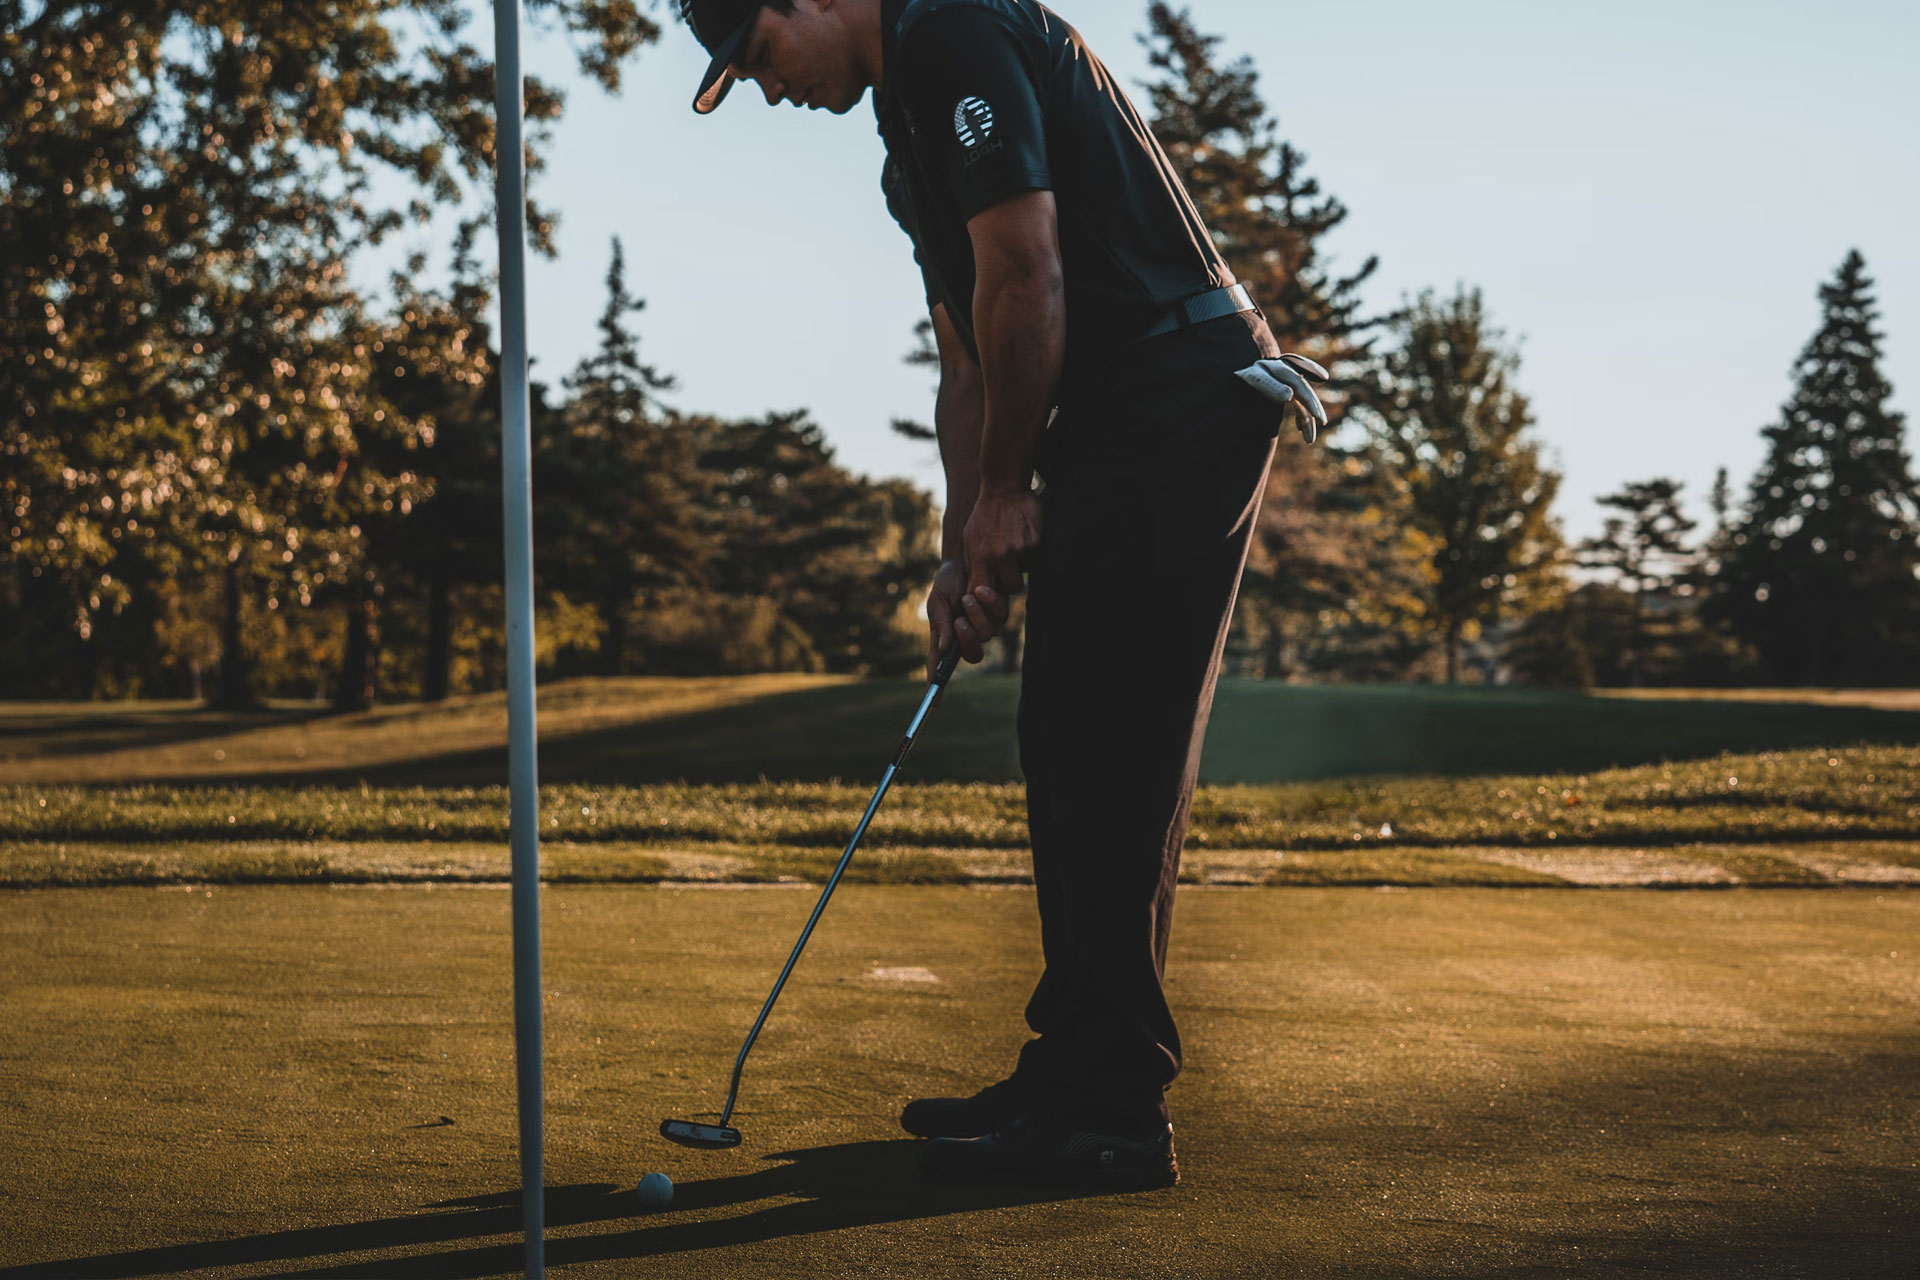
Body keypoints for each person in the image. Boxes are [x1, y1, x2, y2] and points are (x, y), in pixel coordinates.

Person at [679, 0, 1322, 1187]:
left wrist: (1011, 491)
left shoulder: (958, 31)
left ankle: (1113, 1108)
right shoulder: (904, 142)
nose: (768, 89)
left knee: (1108, 742)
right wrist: (958, 542)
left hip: (1181, 396)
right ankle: (1075, 1070)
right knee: (1063, 732)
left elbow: (1030, 269)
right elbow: (971, 350)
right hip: (1120, 415)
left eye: (761, 55)